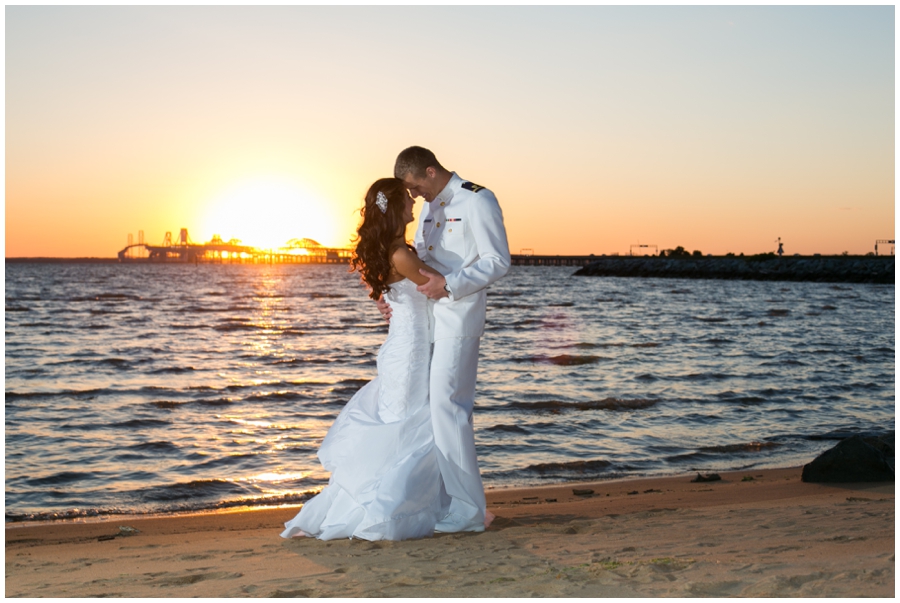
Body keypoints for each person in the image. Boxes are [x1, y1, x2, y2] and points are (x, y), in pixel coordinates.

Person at [280, 177, 446, 541]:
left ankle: (405, 501)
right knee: (408, 425)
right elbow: (441, 287)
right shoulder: (401, 254)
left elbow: (387, 293)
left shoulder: (388, 251)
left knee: (403, 423)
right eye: (407, 200)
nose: (413, 204)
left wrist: (387, 303)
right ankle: (389, 509)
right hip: (412, 351)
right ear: (395, 209)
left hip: (401, 347)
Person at [378, 146, 511, 533]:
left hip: (458, 318)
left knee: (449, 411)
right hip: (427, 323)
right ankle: (444, 502)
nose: (413, 196)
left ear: (430, 171)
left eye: (414, 186)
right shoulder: (433, 208)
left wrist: (450, 285)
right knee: (435, 414)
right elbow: (420, 264)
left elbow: (497, 260)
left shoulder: (477, 199)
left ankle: (468, 512)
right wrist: (393, 300)